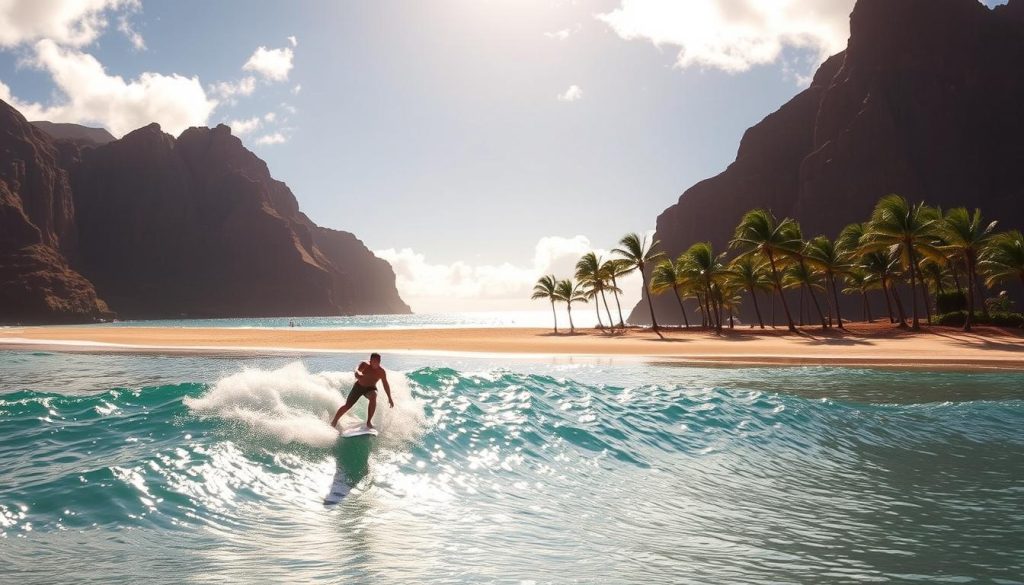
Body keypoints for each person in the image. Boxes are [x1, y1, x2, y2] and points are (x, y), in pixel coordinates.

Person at [330, 352, 394, 429]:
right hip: (359, 387)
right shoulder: (365, 364)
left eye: (378, 362)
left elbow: (385, 384)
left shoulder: (381, 372)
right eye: (374, 361)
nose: (376, 364)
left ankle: (369, 421)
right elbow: (356, 369)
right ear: (370, 361)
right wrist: (357, 373)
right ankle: (334, 421)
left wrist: (389, 398)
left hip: (370, 388)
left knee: (374, 395)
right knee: (347, 405)